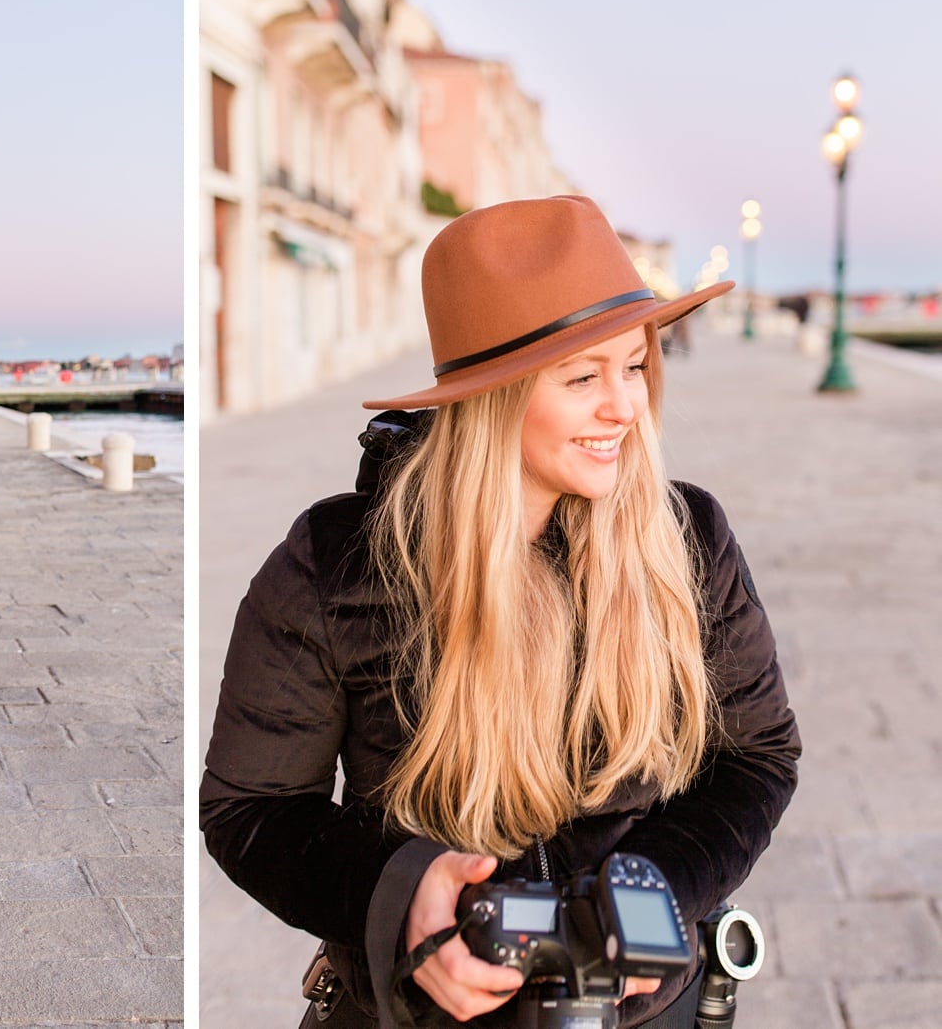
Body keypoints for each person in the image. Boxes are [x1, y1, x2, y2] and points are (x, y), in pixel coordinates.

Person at [201, 196, 800, 1029]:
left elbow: (758, 756)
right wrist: (401, 900)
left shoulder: (688, 535)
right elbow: (251, 809)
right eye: (584, 376)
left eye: (635, 366)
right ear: (495, 396)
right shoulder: (333, 562)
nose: (625, 407)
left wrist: (658, 888)